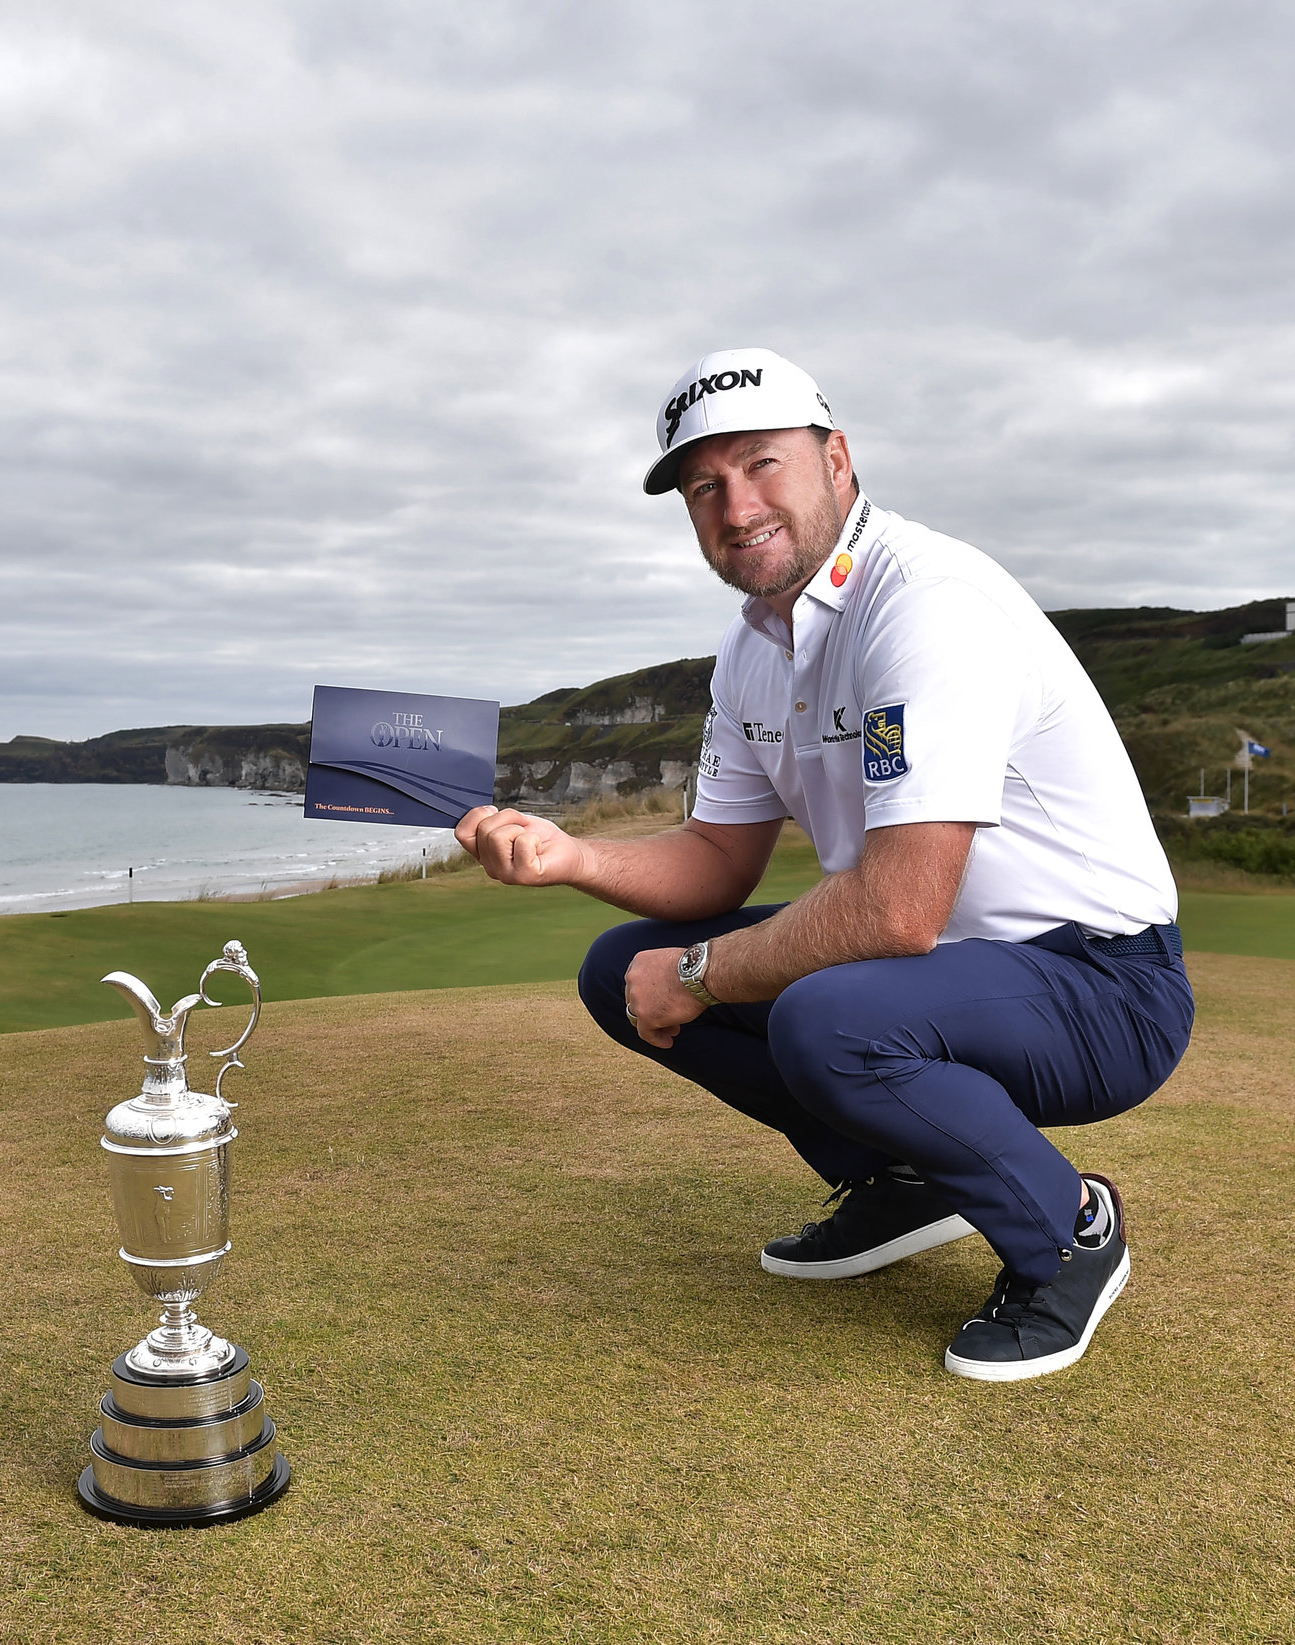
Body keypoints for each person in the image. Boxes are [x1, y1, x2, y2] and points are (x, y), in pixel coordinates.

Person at [455, 348, 1193, 1382]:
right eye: (704, 486)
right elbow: (716, 860)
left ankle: (1069, 1233)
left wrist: (701, 974)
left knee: (824, 1014)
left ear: (837, 459)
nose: (735, 504)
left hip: (1102, 981)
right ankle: (906, 1178)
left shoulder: (926, 604)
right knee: (620, 965)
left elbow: (895, 911)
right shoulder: (751, 645)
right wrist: (569, 853)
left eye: (761, 466)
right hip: (944, 974)